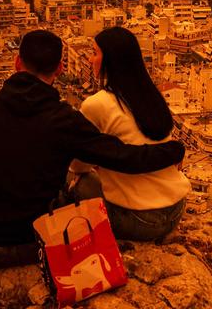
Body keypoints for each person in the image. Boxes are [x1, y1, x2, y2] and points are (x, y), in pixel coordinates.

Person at [0, 29, 186, 268]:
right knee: (68, 180)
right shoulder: (65, 121)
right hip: (34, 245)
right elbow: (124, 157)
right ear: (60, 69)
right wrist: (173, 151)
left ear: (17, 62)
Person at [71, 26, 190, 242]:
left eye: (96, 53)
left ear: (111, 60)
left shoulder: (96, 104)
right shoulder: (152, 97)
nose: (90, 59)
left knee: (72, 179)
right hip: (175, 211)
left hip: (140, 221)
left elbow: (79, 165)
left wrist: (99, 162)